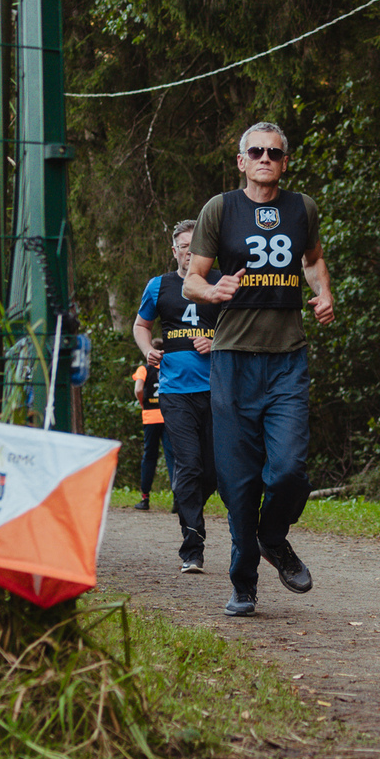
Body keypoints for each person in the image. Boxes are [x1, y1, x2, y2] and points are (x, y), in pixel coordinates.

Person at [185, 122, 336, 616]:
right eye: (256, 152)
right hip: (232, 360)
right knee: (239, 481)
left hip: (287, 357)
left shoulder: (302, 208)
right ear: (241, 161)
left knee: (290, 470)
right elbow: (192, 281)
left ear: (284, 162)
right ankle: (243, 582)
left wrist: (323, 293)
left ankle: (273, 537)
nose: (265, 158)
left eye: (274, 152)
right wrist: (214, 291)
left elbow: (312, 261)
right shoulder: (220, 209)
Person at [133, 220, 221, 572]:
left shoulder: (220, 282)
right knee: (188, 466)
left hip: (216, 389)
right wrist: (147, 351)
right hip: (175, 392)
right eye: (184, 246)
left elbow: (241, 327)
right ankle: (192, 547)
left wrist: (216, 341)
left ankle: (189, 502)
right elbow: (141, 325)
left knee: (212, 472)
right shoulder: (159, 286)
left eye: (196, 246)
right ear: (175, 251)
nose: (190, 252)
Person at [129, 359, 170, 510]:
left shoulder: (144, 369)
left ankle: (145, 498)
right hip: (168, 416)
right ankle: (179, 500)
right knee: (172, 456)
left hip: (150, 417)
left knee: (149, 457)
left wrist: (143, 403)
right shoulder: (169, 366)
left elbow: (138, 389)